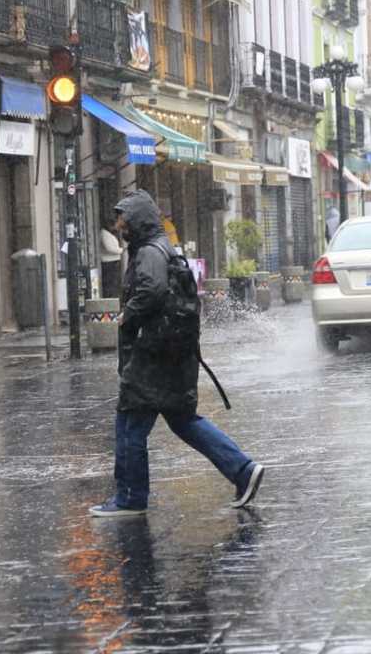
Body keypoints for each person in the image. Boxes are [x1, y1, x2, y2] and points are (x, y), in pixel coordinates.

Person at [90, 190, 264, 518]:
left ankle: (129, 497)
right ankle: (243, 470)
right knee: (184, 421)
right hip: (170, 355)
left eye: (122, 220)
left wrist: (129, 314)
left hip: (151, 357)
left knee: (130, 421)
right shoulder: (159, 248)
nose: (118, 226)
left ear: (137, 221)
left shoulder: (149, 253)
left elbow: (152, 290)